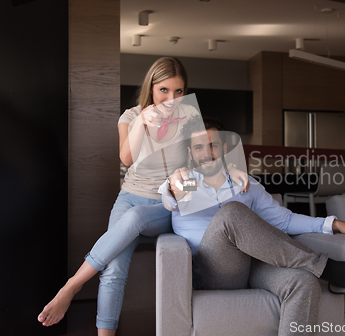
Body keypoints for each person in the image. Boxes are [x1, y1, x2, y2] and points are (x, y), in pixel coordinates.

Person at [37, 58, 249, 335]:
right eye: (164, 90)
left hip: (170, 201)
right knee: (113, 270)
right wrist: (140, 123)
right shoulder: (129, 116)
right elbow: (126, 157)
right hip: (130, 196)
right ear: (151, 88)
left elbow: (204, 152)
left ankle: (72, 284)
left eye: (179, 91)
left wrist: (231, 167)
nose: (171, 99)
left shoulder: (190, 117)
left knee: (135, 217)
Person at [158, 116, 345, 335]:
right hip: (212, 271)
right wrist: (178, 181)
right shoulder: (186, 182)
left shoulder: (246, 183)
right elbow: (177, 196)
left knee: (303, 282)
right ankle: (330, 269)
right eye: (199, 147)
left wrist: (331, 223)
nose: (207, 153)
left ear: (224, 149)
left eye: (213, 146)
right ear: (190, 152)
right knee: (231, 212)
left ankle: (318, 271)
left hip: (252, 266)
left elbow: (284, 220)